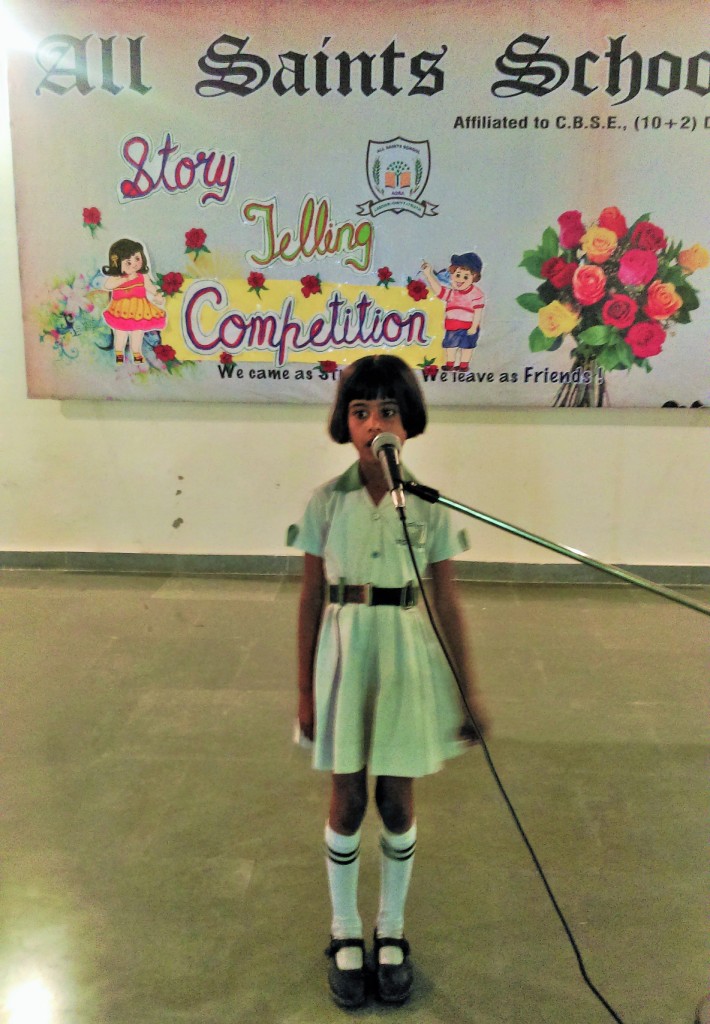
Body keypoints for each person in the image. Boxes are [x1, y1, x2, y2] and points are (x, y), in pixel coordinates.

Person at [287, 354, 489, 1009]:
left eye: (389, 411)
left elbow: (447, 601)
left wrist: (467, 691)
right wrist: (304, 690)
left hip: (404, 660)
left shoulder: (427, 507)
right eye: (361, 411)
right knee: (347, 799)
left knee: (397, 801)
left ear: (410, 423)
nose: (375, 423)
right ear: (344, 424)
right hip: (344, 661)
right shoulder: (326, 503)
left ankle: (391, 927)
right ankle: (345, 928)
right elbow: (310, 598)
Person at [100, 239, 166, 364]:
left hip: (140, 309)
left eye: (137, 258)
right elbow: (108, 285)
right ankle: (119, 353)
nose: (134, 264)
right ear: (117, 263)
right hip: (121, 310)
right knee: (121, 333)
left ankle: (136, 353)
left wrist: (157, 294)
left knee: (138, 333)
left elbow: (149, 286)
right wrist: (124, 279)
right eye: (128, 262)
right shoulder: (118, 277)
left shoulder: (142, 276)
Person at [420, 252, 485, 371]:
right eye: (457, 275)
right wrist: (428, 274)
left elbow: (478, 312)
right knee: (450, 345)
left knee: (467, 347)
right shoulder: (452, 293)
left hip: (468, 327)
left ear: (474, 277)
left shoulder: (476, 294)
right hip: (452, 326)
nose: (460, 280)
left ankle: (464, 364)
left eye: (465, 277)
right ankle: (450, 363)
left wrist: (474, 326)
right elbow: (439, 291)